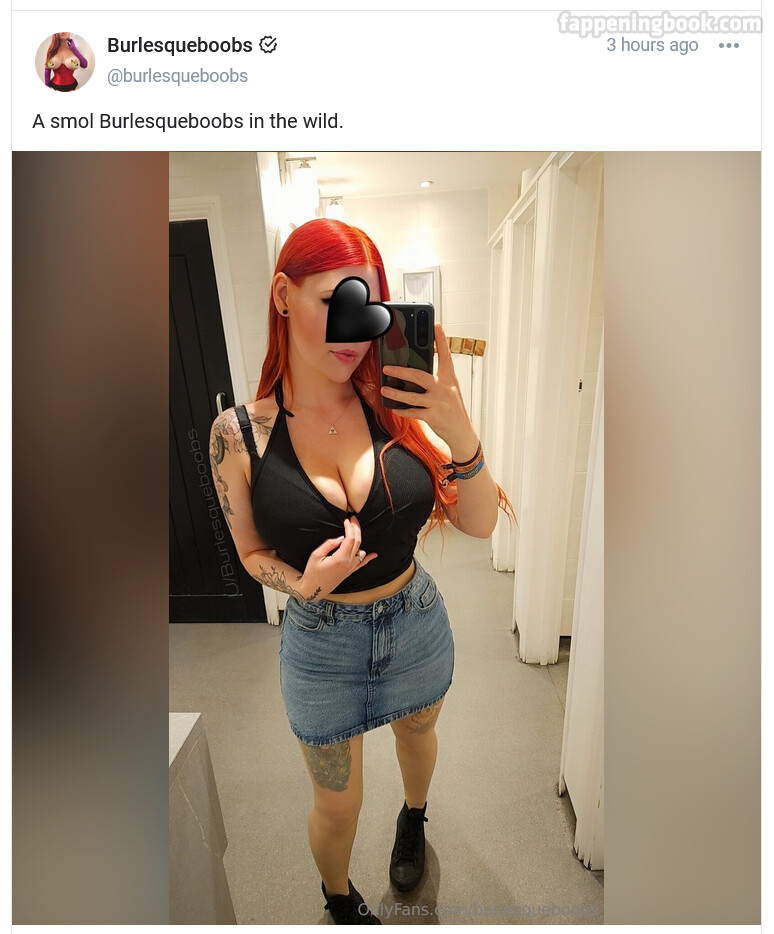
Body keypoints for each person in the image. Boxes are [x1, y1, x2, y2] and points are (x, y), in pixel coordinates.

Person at [209, 218, 516, 924]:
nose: (355, 330)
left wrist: (460, 432)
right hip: (319, 644)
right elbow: (251, 553)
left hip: (415, 623)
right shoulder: (239, 435)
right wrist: (301, 585)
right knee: (337, 802)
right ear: (283, 296)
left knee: (417, 737)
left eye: (368, 307)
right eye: (334, 301)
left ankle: (414, 816)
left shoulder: (393, 406)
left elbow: (480, 523)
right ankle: (341, 902)